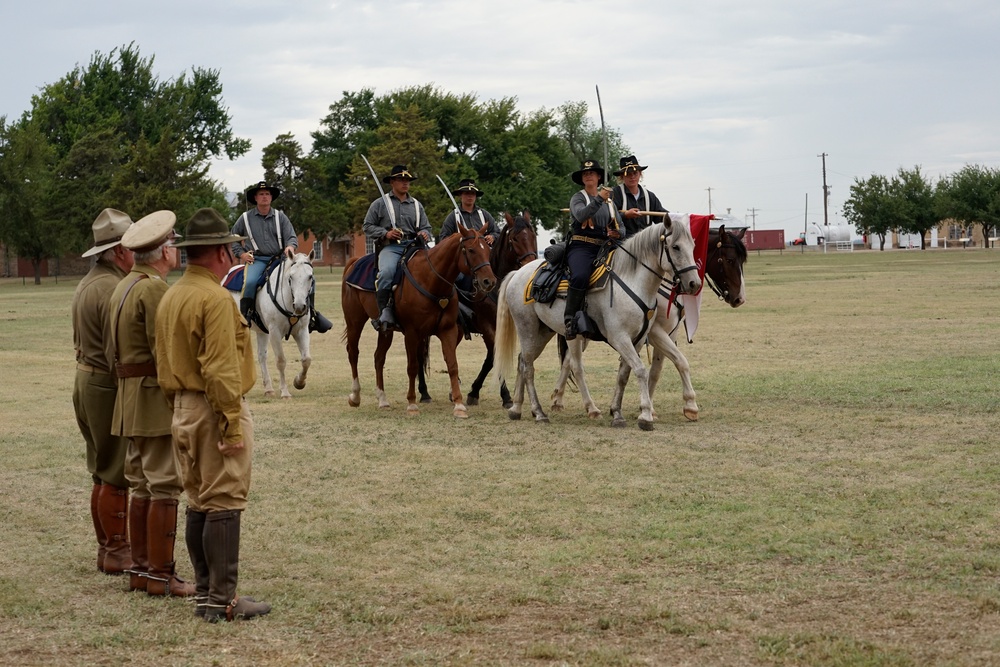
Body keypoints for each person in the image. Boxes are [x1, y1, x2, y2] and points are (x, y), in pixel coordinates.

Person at [156, 208, 271, 622]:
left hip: (183, 408)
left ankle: (207, 595)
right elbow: (220, 369)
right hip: (211, 407)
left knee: (200, 500)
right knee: (223, 499)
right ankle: (222, 600)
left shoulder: (172, 294)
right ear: (222, 251)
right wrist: (230, 424)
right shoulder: (216, 298)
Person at [109, 210, 195, 597]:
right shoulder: (154, 289)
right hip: (151, 398)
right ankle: (161, 575)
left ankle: (142, 572)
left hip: (128, 399)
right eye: (174, 243)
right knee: (164, 485)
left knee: (142, 484)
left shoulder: (123, 285)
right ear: (163, 252)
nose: (176, 250)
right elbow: (167, 353)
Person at [73, 208, 136, 576]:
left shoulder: (91, 281)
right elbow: (120, 349)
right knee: (114, 470)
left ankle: (107, 548)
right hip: (104, 383)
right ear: (118, 252)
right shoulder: (111, 288)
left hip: (86, 379)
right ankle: (116, 549)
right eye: (130, 247)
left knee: (101, 469)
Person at [231, 180, 331, 334]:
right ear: (255, 198)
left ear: (271, 198)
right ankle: (246, 316)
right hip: (256, 259)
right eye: (261, 194)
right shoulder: (245, 218)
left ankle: (311, 314)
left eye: (267, 194)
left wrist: (290, 246)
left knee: (309, 278)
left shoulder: (280, 217)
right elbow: (234, 238)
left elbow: (291, 237)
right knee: (250, 282)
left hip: (280, 259)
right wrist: (242, 254)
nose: (264, 197)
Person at [362, 165, 432, 331]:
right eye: (401, 180)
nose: (405, 183)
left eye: (407, 180)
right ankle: (384, 312)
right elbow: (367, 226)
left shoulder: (417, 205)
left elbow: (426, 227)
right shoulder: (380, 204)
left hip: (415, 246)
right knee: (386, 273)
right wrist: (385, 233)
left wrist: (424, 233)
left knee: (435, 268)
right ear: (392, 182)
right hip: (392, 248)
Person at [565, 159, 625, 340]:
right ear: (582, 179)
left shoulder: (610, 203)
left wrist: (616, 233)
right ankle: (570, 319)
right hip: (582, 246)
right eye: (585, 173)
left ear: (599, 177)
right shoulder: (578, 198)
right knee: (580, 275)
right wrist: (599, 198)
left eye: (592, 173)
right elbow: (582, 214)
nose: (588, 175)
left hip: (605, 246)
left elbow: (622, 228)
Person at [611, 155, 668, 236]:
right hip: (622, 242)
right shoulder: (615, 194)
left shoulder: (650, 196)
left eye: (635, 173)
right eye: (628, 174)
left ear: (640, 174)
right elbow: (608, 217)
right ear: (622, 176)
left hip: (645, 242)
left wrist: (678, 218)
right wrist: (625, 215)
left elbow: (661, 216)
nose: (632, 177)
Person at [436, 179, 499, 246]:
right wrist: (458, 239)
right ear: (460, 195)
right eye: (466, 193)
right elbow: (443, 238)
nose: (470, 196)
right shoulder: (453, 217)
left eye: (472, 193)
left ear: (475, 196)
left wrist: (492, 237)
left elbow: (497, 232)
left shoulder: (485, 215)